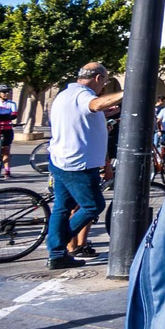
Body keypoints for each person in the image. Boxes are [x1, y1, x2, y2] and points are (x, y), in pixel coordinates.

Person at [46, 62, 123, 268]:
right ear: (98, 78)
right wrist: (128, 91)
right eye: (104, 82)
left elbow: (84, 115)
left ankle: (57, 254)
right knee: (93, 205)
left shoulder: (65, 95)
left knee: (62, 208)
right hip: (78, 165)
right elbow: (95, 104)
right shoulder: (83, 95)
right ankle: (59, 242)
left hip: (60, 160)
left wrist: (104, 114)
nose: (103, 87)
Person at [0, 84, 17, 179]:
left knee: (6, 150)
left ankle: (7, 171)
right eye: (4, 92)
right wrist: (5, 116)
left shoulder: (12, 104)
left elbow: (14, 115)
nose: (6, 94)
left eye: (7, 92)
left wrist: (0, 117)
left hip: (6, 129)